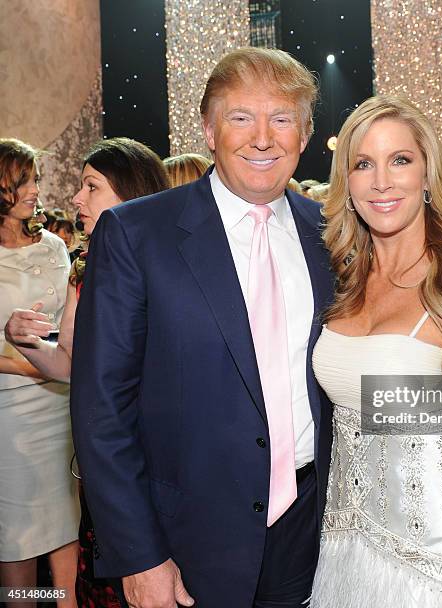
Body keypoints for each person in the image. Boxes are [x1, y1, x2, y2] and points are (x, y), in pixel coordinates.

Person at [69, 48, 336, 608]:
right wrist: (139, 554)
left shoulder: (331, 237)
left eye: (282, 118)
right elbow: (101, 409)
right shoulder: (136, 234)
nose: (262, 138)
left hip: (313, 536)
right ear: (209, 130)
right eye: (241, 117)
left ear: (306, 134)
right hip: (185, 542)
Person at [308, 95, 442, 608]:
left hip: (435, 560)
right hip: (343, 544)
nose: (381, 180)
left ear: (428, 176)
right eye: (363, 164)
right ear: (347, 183)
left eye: (400, 160)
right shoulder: (340, 282)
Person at [5, 137, 170, 608]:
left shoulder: (172, 265)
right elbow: (70, 364)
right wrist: (26, 341)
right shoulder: (84, 268)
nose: (75, 199)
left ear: (129, 192)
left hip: (161, 451)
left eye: (90, 187)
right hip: (96, 448)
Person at [0, 138, 79, 608]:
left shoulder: (52, 243)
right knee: (18, 538)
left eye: (35, 179)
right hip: (13, 416)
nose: (35, 189)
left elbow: (69, 323)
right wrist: (34, 370)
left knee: (65, 530)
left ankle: (65, 600)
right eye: (23, 180)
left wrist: (65, 368)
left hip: (62, 409)